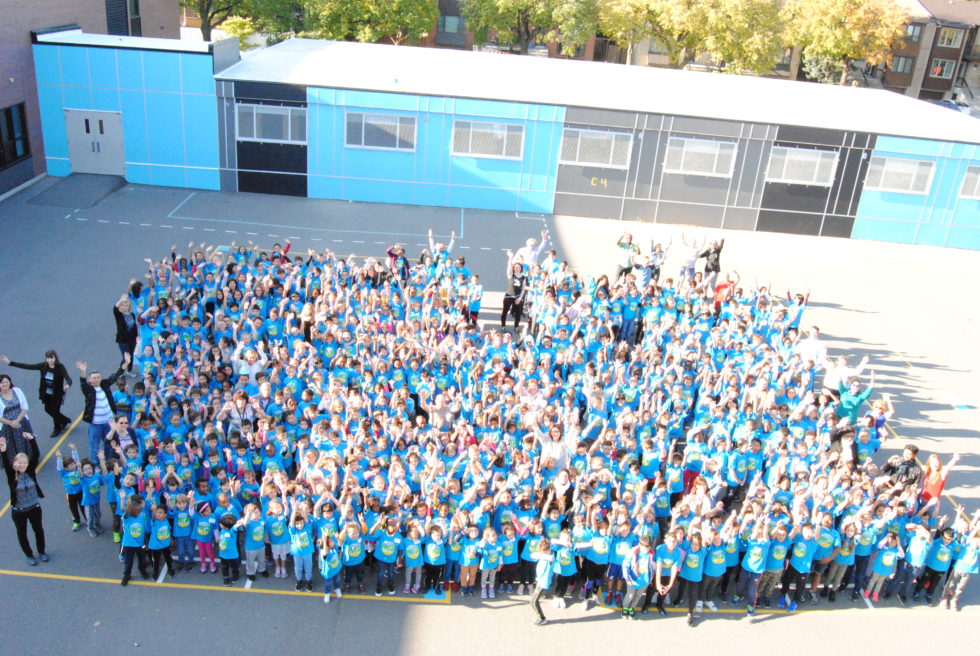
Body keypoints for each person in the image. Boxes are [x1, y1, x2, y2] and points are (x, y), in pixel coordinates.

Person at [1, 433, 48, 565]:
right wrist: (3, 451)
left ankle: (42, 551)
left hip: (34, 507)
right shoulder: (12, 476)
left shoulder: (30, 471)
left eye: (25, 462)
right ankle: (29, 554)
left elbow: (36, 454)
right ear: (15, 464)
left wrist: (32, 440)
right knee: (22, 533)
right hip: (19, 511)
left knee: (38, 530)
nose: (22, 465)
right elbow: (5, 462)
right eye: (19, 463)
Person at [1, 351, 73, 437]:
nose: (49, 360)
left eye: (51, 358)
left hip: (57, 395)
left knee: (55, 410)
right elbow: (28, 366)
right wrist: (10, 363)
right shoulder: (43, 366)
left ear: (55, 358)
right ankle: (64, 420)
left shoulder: (60, 367)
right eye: (48, 358)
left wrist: (68, 384)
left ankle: (57, 428)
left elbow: (68, 378)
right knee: (48, 410)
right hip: (46, 394)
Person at [76, 356, 129, 463]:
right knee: (94, 445)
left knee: (110, 443)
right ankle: (95, 463)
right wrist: (83, 372)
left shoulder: (104, 384)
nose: (97, 379)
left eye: (98, 377)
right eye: (94, 378)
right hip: (96, 423)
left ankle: (109, 461)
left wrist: (126, 364)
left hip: (109, 422)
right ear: (90, 380)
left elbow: (115, 376)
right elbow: (82, 382)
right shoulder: (89, 390)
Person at [0, 374, 36, 461]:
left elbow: (24, 407)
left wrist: (17, 421)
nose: (5, 384)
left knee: (25, 441)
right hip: (6, 426)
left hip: (21, 422)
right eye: (2, 382)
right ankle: (15, 461)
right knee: (10, 444)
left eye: (7, 382)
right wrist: (11, 423)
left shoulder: (17, 391)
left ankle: (28, 459)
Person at [529, 537, 555, 626]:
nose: (541, 553)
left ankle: (542, 618)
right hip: (540, 580)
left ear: (549, 550)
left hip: (543, 583)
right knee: (534, 600)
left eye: (544, 551)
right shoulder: (543, 555)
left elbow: (549, 557)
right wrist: (541, 553)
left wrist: (542, 554)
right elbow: (532, 555)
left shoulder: (550, 558)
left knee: (533, 601)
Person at [113, 293, 139, 372]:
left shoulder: (132, 314)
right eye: (123, 306)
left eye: (126, 306)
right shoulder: (119, 315)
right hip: (123, 340)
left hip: (132, 339)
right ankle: (120, 371)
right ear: (120, 307)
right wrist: (121, 300)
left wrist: (137, 337)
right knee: (126, 357)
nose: (125, 307)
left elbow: (134, 327)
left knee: (131, 356)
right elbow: (114, 309)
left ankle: (129, 370)